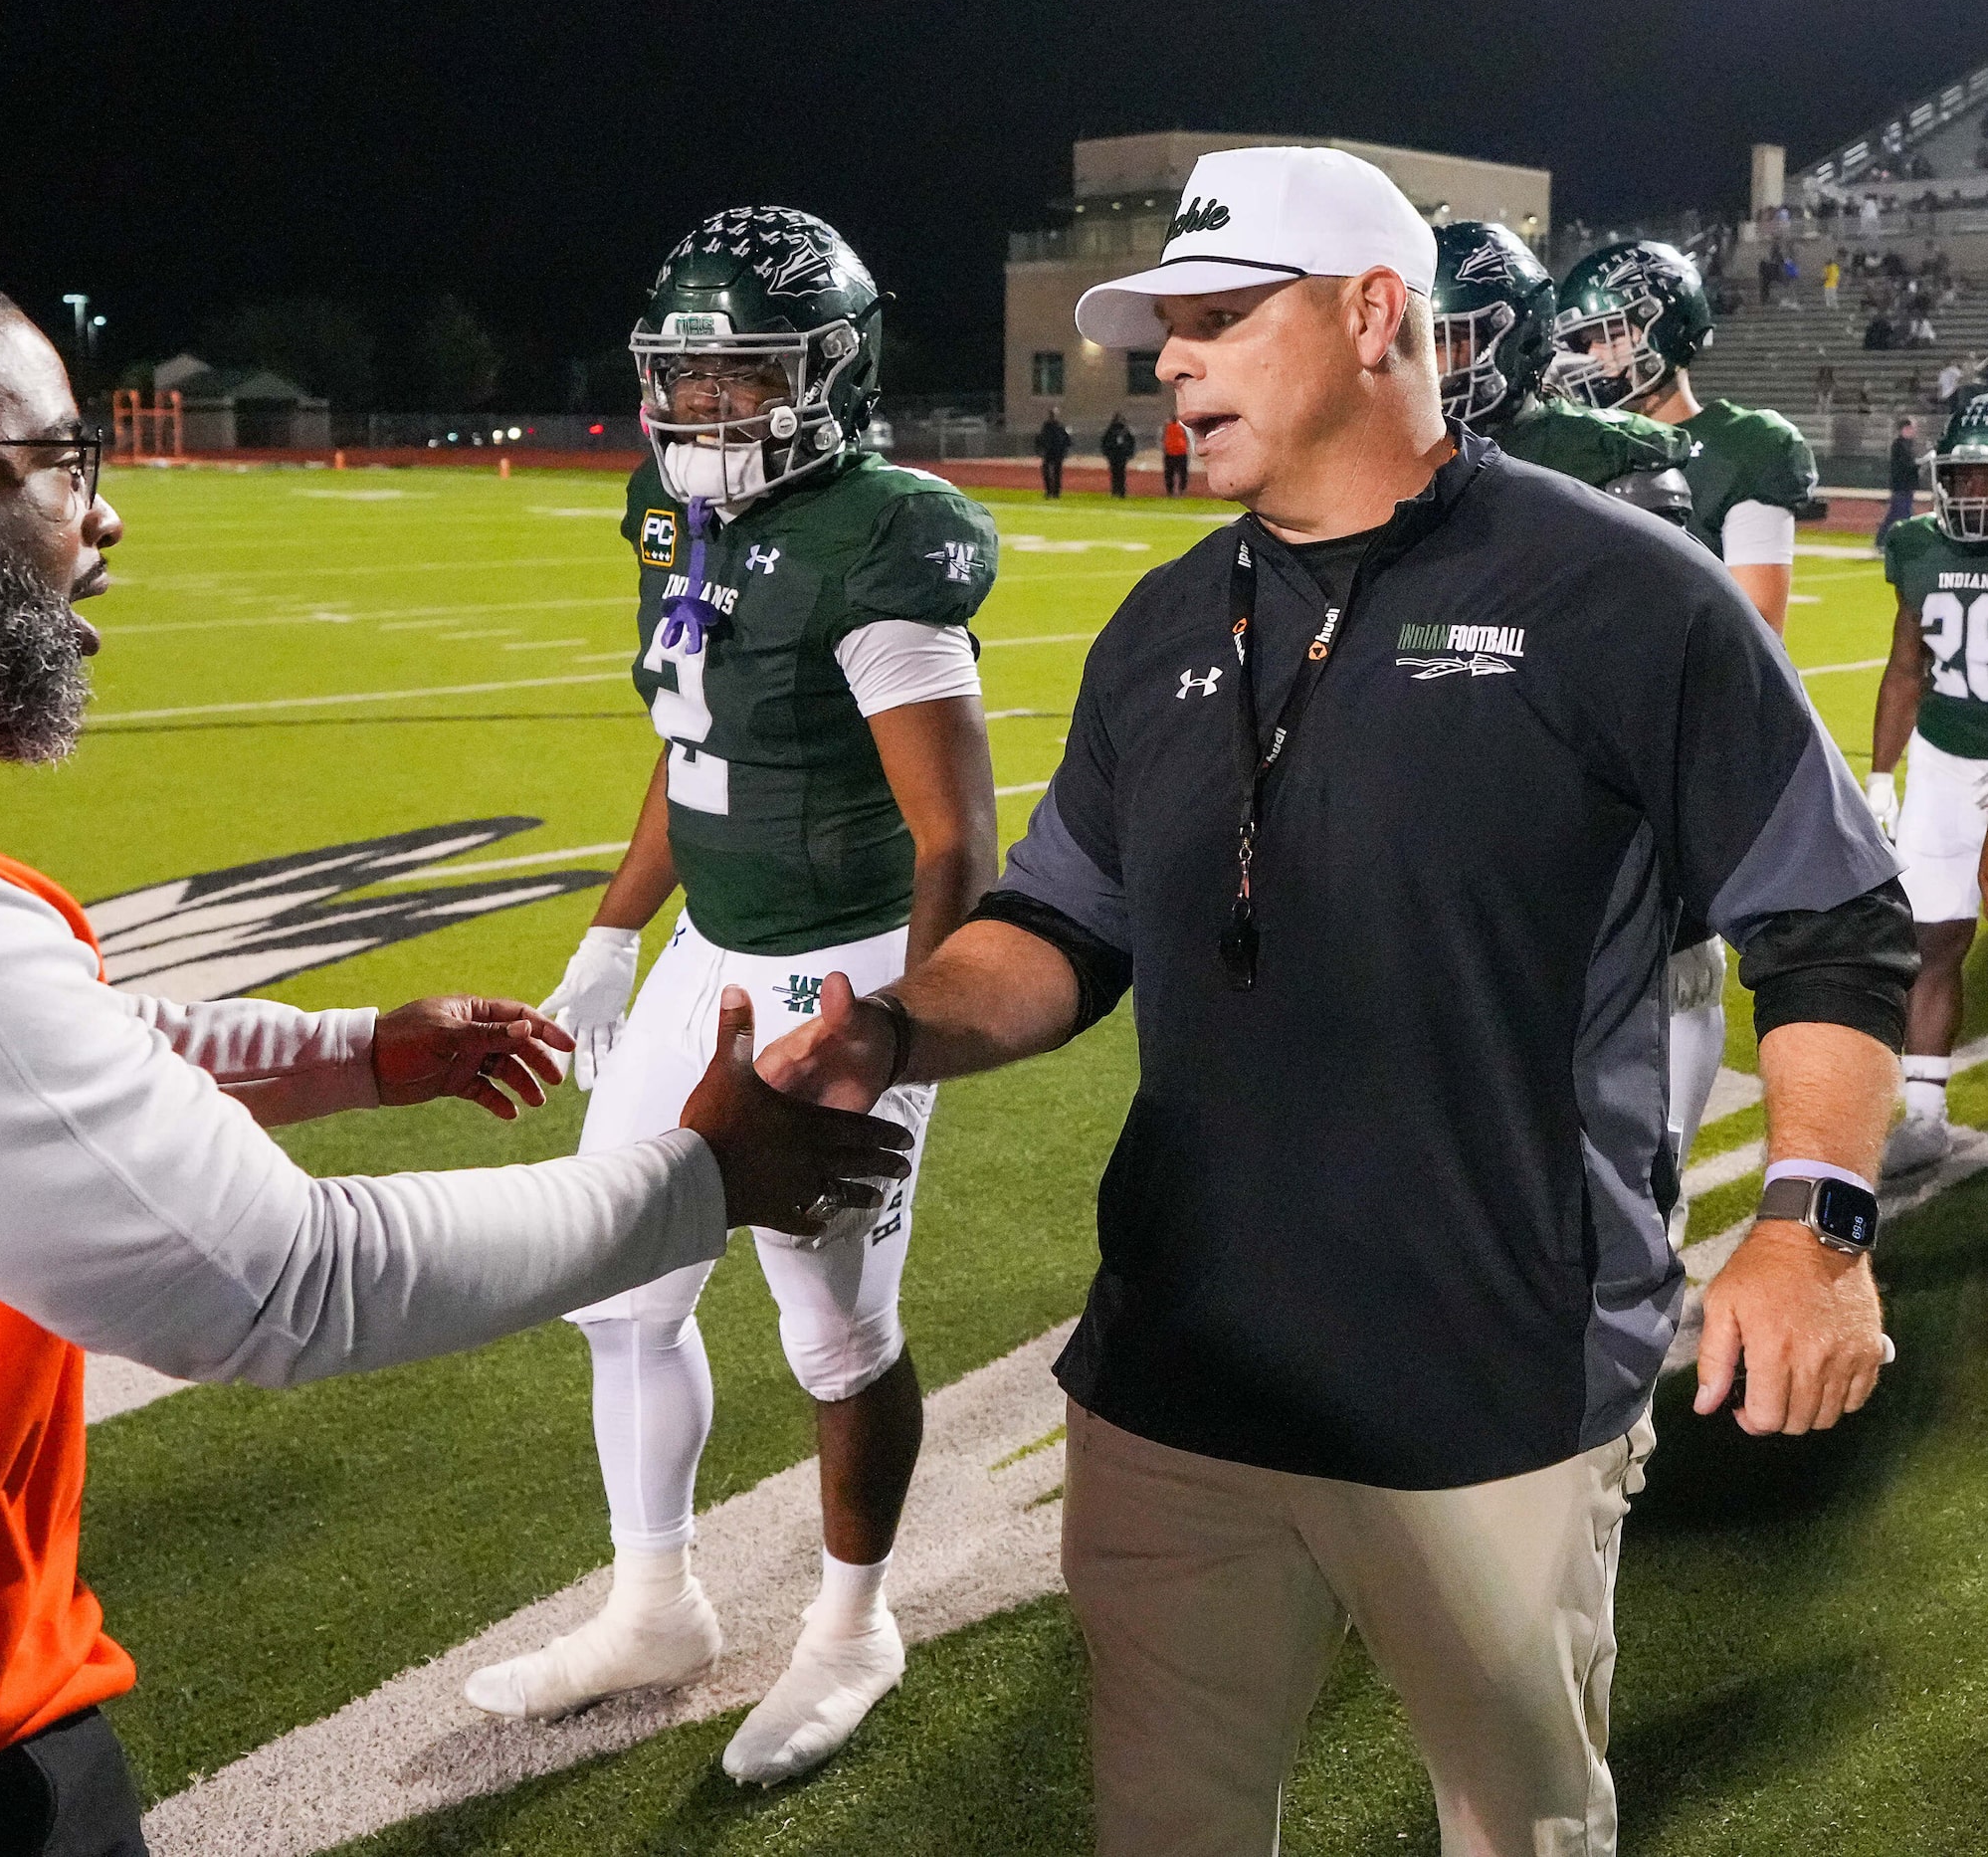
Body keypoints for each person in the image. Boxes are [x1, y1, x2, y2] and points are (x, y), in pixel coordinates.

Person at [0, 253, 909, 1857]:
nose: (101, 520)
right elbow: (283, 1281)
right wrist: (698, 1176)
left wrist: (352, 1054)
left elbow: (8, 1058)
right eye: (60, 466)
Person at [761, 145, 1908, 1856]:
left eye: (1219, 318)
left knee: (1517, 1830)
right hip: (1177, 1382)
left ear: (1375, 315)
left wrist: (1810, 1220)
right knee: (1165, 1826)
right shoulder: (1158, 625)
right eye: (1165, 330)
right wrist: (893, 1029)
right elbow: (1055, 929)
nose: (1171, 363)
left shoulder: (1614, 594)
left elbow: (1827, 919)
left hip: (1488, 1382)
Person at [464, 206, 1001, 1785]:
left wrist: (905, 1031)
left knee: (832, 1330)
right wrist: (616, 931)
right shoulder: (673, 513)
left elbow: (955, 834)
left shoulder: (880, 540)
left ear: (831, 371)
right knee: (618, 1284)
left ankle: (852, 1624)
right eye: (681, 379)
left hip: (840, 965)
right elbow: (693, 749)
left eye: (739, 377)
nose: (701, 411)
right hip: (710, 946)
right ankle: (655, 1603)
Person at [1428, 219, 1728, 1180]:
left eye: (1458, 336)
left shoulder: (1609, 460)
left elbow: (1670, 685)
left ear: (1517, 334)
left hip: (1584, 809)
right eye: (1421, 338)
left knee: (1622, 1154)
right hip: (1453, 816)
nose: (1436, 365)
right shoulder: (1379, 458)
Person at [1553, 239, 1818, 635]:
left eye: (1607, 335)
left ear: (1665, 330)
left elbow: (1757, 628)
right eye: (1584, 341)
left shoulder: (1744, 445)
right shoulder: (1582, 443)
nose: (1593, 356)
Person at [1865, 393, 1988, 1177]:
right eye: (1964, 477)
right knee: (1930, 937)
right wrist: (1881, 774)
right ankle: (1926, 1112)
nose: (1974, 494)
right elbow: (1906, 668)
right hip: (1944, 759)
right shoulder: (1916, 544)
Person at [1881, 416, 1923, 544]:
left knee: (1899, 514)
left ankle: (1884, 541)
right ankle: (1883, 541)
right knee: (1898, 515)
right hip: (1901, 485)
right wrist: (1919, 463)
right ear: (1904, 429)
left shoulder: (1907, 445)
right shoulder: (1899, 445)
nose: (1913, 431)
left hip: (1906, 485)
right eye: (1911, 428)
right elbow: (1905, 465)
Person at [1035, 411, 1072, 497]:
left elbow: (1066, 440)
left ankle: (1054, 491)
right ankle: (1051, 491)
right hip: (1051, 453)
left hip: (1055, 453)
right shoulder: (1051, 427)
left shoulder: (1057, 427)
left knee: (1055, 473)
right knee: (1049, 472)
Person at [1100, 411, 1135, 496]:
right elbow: (1131, 443)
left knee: (1115, 473)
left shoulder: (1110, 431)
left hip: (1114, 455)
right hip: (1121, 455)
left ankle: (1115, 490)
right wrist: (1129, 453)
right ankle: (1120, 491)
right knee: (1121, 474)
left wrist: (1107, 453)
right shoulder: (1124, 431)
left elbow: (1104, 443)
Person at [1159, 413, 1191, 495]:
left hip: (1180, 453)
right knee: (1170, 474)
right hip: (1171, 453)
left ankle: (1181, 490)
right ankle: (1171, 491)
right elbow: (1162, 439)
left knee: (1182, 474)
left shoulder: (1181, 427)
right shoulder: (1167, 427)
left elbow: (1186, 439)